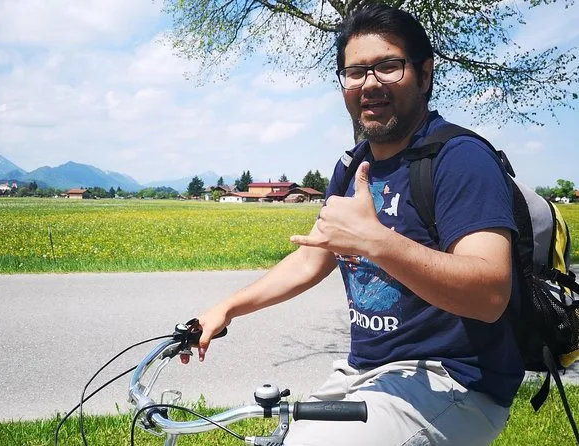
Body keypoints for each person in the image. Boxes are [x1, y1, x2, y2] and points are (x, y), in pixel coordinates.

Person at [182, 4, 524, 445]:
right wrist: (226, 309)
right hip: (364, 370)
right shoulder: (352, 167)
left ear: (424, 75)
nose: (370, 84)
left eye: (388, 66)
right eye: (355, 72)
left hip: (454, 381)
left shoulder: (460, 159)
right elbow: (311, 258)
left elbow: (490, 295)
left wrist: (376, 242)